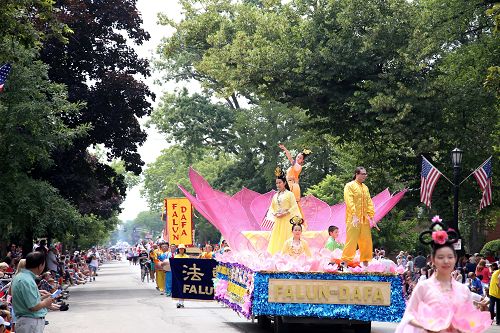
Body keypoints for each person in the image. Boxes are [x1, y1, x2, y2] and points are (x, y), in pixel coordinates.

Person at [395, 219, 472, 333]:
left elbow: (470, 318)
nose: (446, 261)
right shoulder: (423, 287)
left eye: (450, 257)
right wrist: (427, 326)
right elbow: (409, 315)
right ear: (433, 260)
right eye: (440, 257)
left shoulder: (464, 290)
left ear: (455, 259)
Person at [11, 252, 53, 333]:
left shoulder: (21, 277)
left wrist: (42, 298)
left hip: (27, 322)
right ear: (40, 265)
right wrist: (45, 302)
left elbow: (27, 301)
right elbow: (33, 306)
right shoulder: (27, 280)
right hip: (30, 322)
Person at [341, 167, 375, 266]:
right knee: (351, 241)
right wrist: (354, 215)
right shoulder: (349, 186)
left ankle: (365, 265)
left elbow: (369, 202)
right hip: (353, 218)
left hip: (364, 219)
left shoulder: (365, 187)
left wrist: (371, 216)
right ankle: (344, 264)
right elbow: (349, 201)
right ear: (357, 174)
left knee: (366, 242)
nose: (365, 176)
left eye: (365, 174)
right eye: (363, 174)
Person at [266, 167, 302, 255]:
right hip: (278, 221)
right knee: (277, 239)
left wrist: (286, 213)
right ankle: (277, 256)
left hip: (287, 220)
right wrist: (274, 214)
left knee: (287, 237)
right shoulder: (275, 196)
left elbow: (294, 206)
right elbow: (272, 208)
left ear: (284, 183)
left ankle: (288, 255)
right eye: (277, 183)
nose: (278, 185)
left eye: (280, 183)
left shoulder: (290, 194)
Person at [278, 144, 311, 229]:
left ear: (302, 161)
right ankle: (291, 223)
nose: (298, 158)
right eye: (298, 157)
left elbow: (290, 159)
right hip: (290, 184)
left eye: (300, 158)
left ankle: (299, 223)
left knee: (293, 205)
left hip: (292, 186)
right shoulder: (295, 167)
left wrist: (285, 149)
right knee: (288, 204)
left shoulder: (297, 166)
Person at [174, 244, 189, 308]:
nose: (181, 250)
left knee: (183, 288)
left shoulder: (187, 256)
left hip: (185, 275)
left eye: (182, 249)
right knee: (179, 288)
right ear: (178, 250)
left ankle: (181, 302)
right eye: (180, 249)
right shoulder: (176, 256)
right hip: (178, 274)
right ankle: (180, 302)